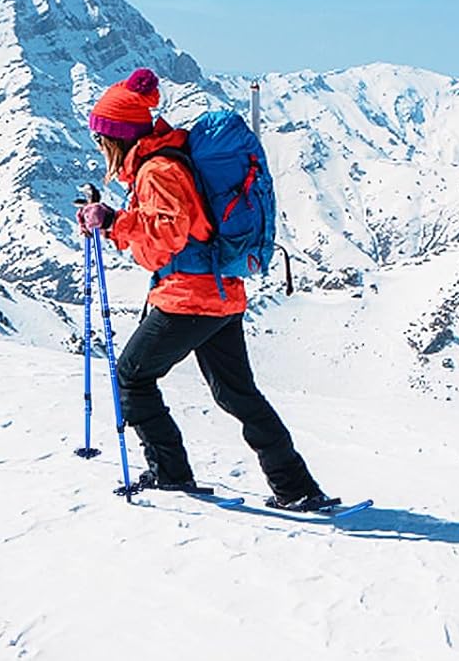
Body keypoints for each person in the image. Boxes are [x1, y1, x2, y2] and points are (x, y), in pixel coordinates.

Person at [77, 68, 334, 510]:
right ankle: (297, 488)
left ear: (115, 137)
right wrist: (116, 218)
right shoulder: (163, 159)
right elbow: (181, 224)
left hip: (187, 297)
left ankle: (171, 474)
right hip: (220, 293)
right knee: (237, 393)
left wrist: (115, 223)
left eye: (102, 138)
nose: (100, 147)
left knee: (132, 378)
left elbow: (167, 233)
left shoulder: (156, 169)